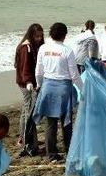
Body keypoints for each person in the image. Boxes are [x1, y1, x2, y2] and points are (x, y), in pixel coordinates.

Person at [33, 22, 83, 162]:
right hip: (63, 89)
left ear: (50, 34)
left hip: (48, 87)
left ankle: (52, 154)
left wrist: (40, 85)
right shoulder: (67, 51)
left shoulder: (43, 48)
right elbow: (74, 75)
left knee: (51, 123)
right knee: (66, 122)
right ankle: (69, 151)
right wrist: (83, 89)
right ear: (64, 35)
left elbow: (38, 72)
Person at [14, 23, 44, 157]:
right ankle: (28, 142)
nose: (39, 38)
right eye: (36, 36)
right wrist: (29, 82)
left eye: (40, 36)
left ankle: (23, 138)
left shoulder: (31, 46)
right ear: (31, 35)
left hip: (25, 81)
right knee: (28, 113)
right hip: (26, 83)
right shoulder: (26, 48)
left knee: (26, 110)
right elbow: (25, 67)